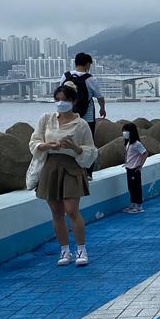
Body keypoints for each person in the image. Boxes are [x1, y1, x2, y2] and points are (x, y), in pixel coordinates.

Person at [31, 83, 98, 265]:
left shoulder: (81, 124)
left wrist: (75, 147)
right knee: (57, 212)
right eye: (58, 99)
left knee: (72, 210)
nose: (61, 103)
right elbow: (34, 142)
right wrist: (47, 145)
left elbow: (91, 151)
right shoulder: (46, 119)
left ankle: (81, 250)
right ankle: (64, 251)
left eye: (65, 100)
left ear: (73, 101)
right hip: (51, 166)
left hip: (71, 167)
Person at [63, 52, 105, 177]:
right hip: (87, 115)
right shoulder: (90, 78)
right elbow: (100, 97)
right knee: (88, 142)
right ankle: (88, 172)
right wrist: (102, 108)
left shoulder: (65, 76)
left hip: (69, 114)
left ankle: (69, 168)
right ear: (87, 64)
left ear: (75, 63)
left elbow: (61, 94)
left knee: (69, 139)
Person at [121, 123, 149, 214]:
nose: (124, 133)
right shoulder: (128, 143)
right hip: (129, 168)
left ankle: (139, 206)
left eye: (126, 131)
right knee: (131, 187)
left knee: (136, 187)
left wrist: (140, 164)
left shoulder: (137, 144)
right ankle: (133, 204)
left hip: (134, 169)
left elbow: (145, 153)